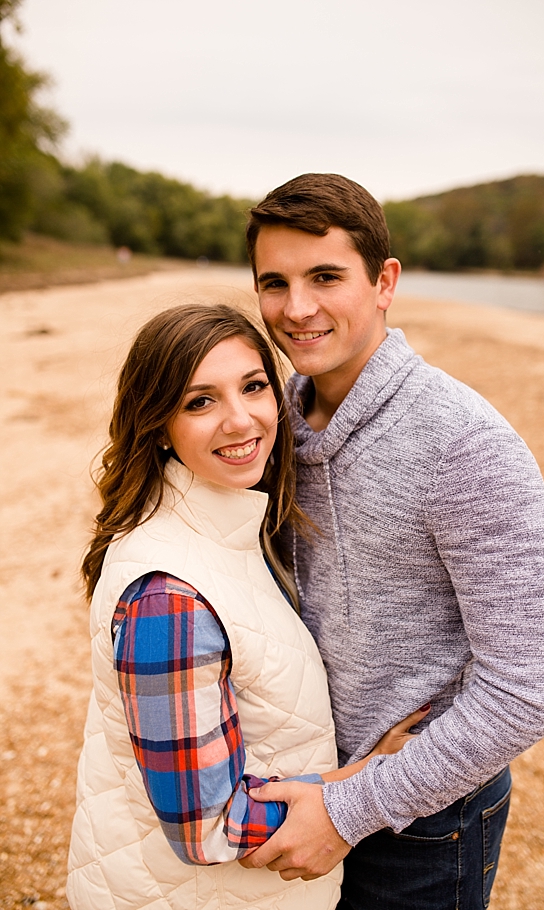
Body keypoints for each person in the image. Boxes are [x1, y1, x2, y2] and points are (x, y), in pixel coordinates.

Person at [236, 174, 544, 909]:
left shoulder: (465, 444)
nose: (297, 309)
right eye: (275, 283)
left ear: (385, 281)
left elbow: (529, 691)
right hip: (299, 787)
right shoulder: (267, 429)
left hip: (422, 822)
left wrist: (353, 809)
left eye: (326, 277)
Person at [67, 304, 425, 909]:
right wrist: (368, 785)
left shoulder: (226, 530)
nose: (241, 420)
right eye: (199, 401)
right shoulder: (167, 600)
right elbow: (208, 825)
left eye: (254, 387)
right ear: (157, 425)